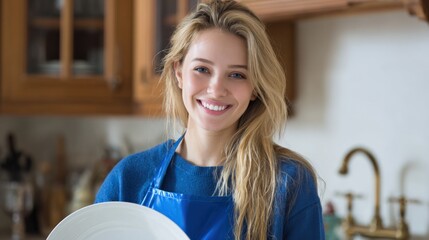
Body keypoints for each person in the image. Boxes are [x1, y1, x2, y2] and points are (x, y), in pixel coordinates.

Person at [95, 0, 325, 239]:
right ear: (179, 73)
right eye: (202, 69)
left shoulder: (288, 182)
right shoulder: (129, 178)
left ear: (255, 87)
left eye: (237, 74)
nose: (216, 89)